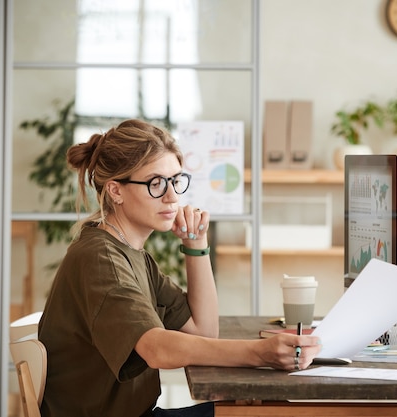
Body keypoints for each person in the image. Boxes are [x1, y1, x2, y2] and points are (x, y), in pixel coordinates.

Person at [37, 119, 322, 417]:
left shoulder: (133, 255)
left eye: (176, 181)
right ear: (115, 191)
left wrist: (196, 243)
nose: (172, 196)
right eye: (156, 183)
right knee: (272, 413)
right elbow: (156, 349)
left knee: (271, 409)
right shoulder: (100, 258)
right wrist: (259, 352)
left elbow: (204, 331)